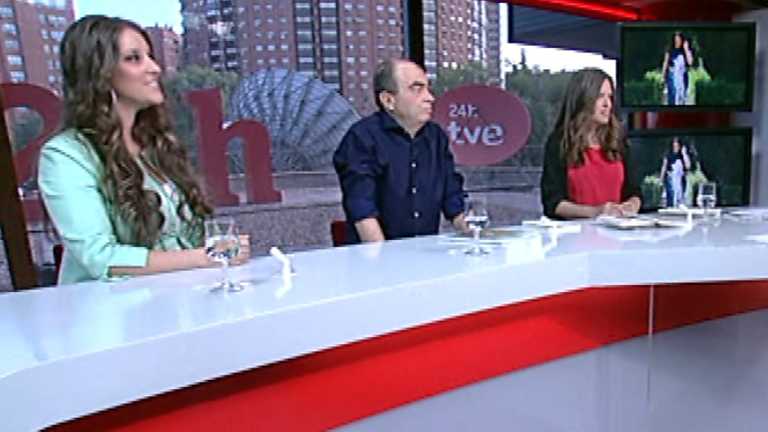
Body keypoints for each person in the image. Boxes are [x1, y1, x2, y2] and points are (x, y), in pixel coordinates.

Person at [38, 15, 249, 284]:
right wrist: (207, 256)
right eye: (134, 58)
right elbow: (100, 257)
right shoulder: (65, 156)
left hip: (174, 296)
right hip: (105, 306)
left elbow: (182, 239)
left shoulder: (155, 145)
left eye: (150, 56)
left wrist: (218, 251)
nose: (155, 68)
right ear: (100, 74)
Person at [333, 59, 466, 243]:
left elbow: (452, 197)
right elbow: (362, 209)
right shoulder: (362, 138)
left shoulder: (436, 137)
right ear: (388, 100)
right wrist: (384, 257)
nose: (430, 97)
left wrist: (476, 237)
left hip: (425, 252)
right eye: (417, 89)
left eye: (428, 89)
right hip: (374, 254)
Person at [540, 68, 641, 219]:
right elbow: (553, 203)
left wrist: (631, 205)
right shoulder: (560, 143)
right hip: (576, 232)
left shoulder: (618, 141)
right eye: (600, 96)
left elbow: (634, 192)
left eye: (610, 97)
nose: (607, 104)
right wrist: (596, 212)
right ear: (583, 99)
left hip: (617, 231)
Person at [661, 31, 695, 106]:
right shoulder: (669, 50)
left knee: (682, 97)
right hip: (672, 77)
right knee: (673, 96)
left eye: (679, 40)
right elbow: (665, 63)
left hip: (682, 78)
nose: (677, 42)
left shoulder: (685, 51)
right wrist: (663, 76)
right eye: (675, 40)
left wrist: (686, 49)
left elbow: (690, 62)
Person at [660, 137, 691, 207]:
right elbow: (664, 167)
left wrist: (684, 153)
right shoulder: (668, 155)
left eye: (677, 146)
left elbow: (688, 166)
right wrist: (661, 179)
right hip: (671, 178)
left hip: (681, 179)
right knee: (671, 195)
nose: (676, 148)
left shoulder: (683, 156)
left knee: (681, 196)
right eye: (674, 146)